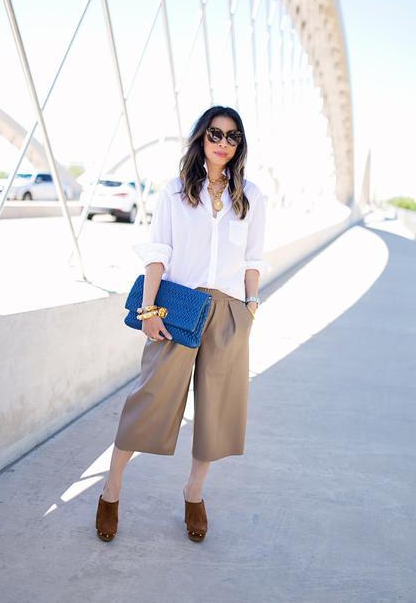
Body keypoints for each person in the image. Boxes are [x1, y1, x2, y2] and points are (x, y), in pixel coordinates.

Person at [95, 105, 267, 543]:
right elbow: (159, 254)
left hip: (228, 313)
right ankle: (111, 490)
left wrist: (250, 308)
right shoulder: (174, 192)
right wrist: (148, 311)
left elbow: (251, 261)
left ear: (239, 144)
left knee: (216, 414)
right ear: (200, 137)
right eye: (215, 133)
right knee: (149, 402)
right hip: (178, 306)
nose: (223, 143)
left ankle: (193, 493)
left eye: (232, 136)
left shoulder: (251, 197)